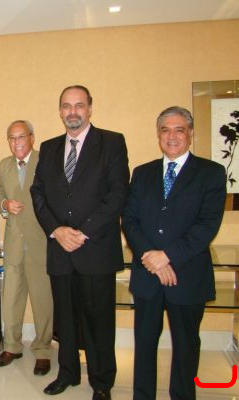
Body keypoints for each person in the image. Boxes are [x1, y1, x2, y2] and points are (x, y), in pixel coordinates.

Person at [30, 85, 129, 399]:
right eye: (66, 106)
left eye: (79, 105)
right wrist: (57, 230)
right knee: (65, 319)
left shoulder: (111, 142)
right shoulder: (48, 148)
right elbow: (38, 193)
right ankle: (68, 373)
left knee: (99, 320)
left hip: (95, 248)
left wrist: (82, 232)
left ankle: (101, 382)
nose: (72, 111)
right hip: (60, 249)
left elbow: (117, 193)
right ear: (60, 111)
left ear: (90, 108)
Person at [122, 106, 226, 400]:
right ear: (158, 135)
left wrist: (166, 256)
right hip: (147, 276)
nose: (172, 136)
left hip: (187, 274)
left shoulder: (211, 173)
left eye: (179, 130)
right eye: (165, 130)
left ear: (190, 133)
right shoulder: (142, 173)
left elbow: (207, 225)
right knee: (144, 344)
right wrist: (151, 257)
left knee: (186, 346)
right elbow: (129, 220)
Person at [0, 120, 53, 375]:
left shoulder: (46, 161)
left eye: (21, 137)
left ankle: (43, 350)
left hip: (40, 243)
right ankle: (12, 346)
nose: (16, 142)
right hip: (14, 243)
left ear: (31, 137)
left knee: (43, 302)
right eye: (12, 137)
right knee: (10, 300)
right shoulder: (4, 165)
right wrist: (4, 204)